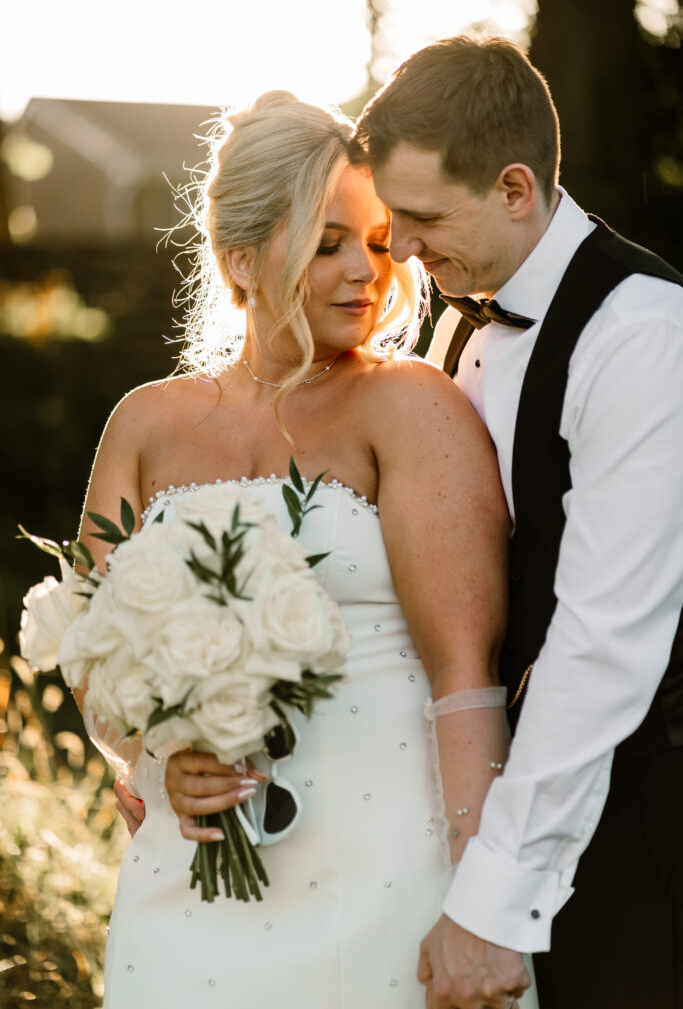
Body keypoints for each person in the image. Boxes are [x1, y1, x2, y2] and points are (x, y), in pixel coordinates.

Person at [78, 92, 535, 1008]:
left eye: (376, 242)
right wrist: (158, 757)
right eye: (328, 242)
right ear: (239, 257)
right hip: (190, 870)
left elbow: (464, 674)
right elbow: (95, 658)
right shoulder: (145, 423)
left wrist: (482, 904)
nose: (366, 272)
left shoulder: (412, 406)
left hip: (386, 870)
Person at [351, 34, 683, 1009]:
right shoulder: (452, 316)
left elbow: (598, 647)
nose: (398, 249)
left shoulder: (642, 337)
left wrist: (493, 900)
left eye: (418, 216)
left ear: (511, 187)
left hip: (628, 832)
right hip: (473, 816)